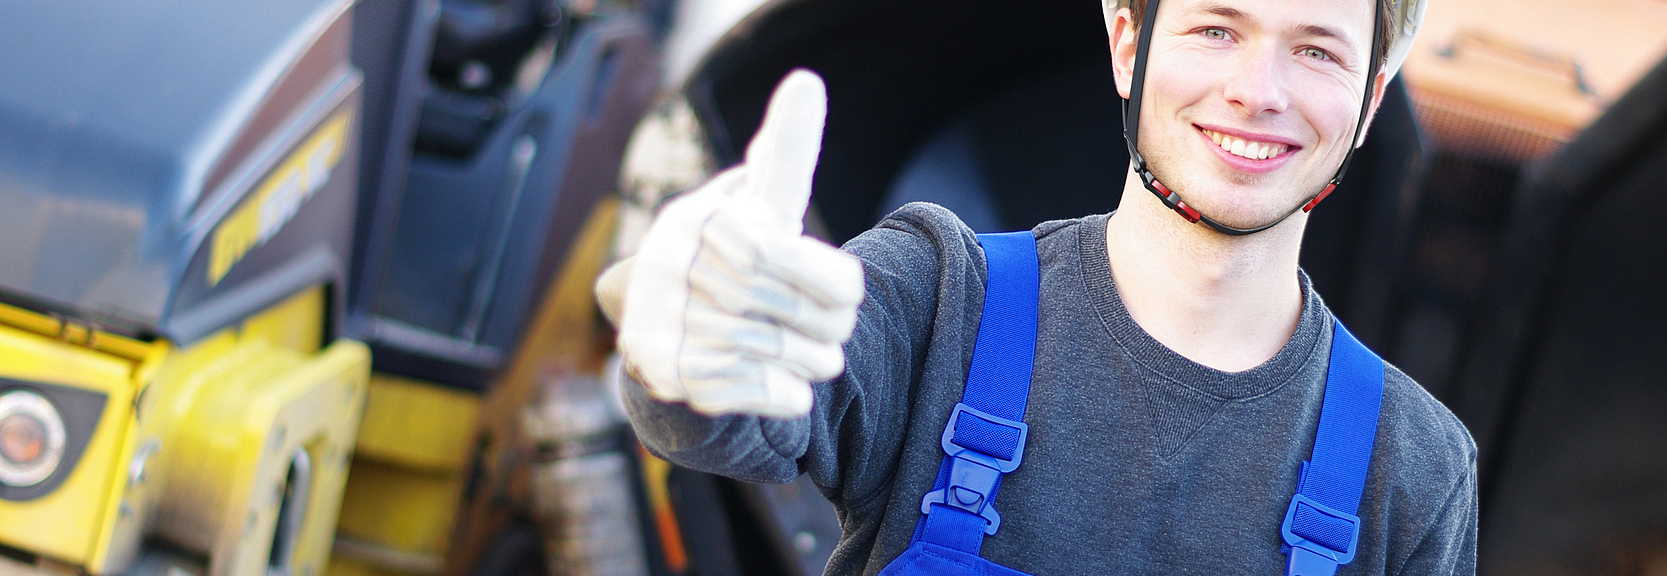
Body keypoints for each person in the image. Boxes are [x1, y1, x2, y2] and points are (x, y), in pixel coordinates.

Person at [595, 0, 1476, 573]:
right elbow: (730, 415)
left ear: (1369, 102)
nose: (1257, 91)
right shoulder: (942, 298)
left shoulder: (1413, 471)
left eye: (1318, 52)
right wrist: (681, 322)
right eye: (1217, 29)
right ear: (1128, 42)